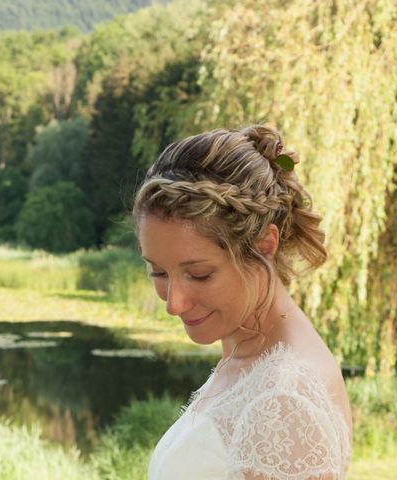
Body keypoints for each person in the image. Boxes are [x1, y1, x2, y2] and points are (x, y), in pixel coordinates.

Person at [133, 125, 353, 480]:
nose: (174, 303)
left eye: (199, 274)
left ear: (265, 245)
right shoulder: (248, 352)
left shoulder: (284, 397)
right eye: (158, 272)